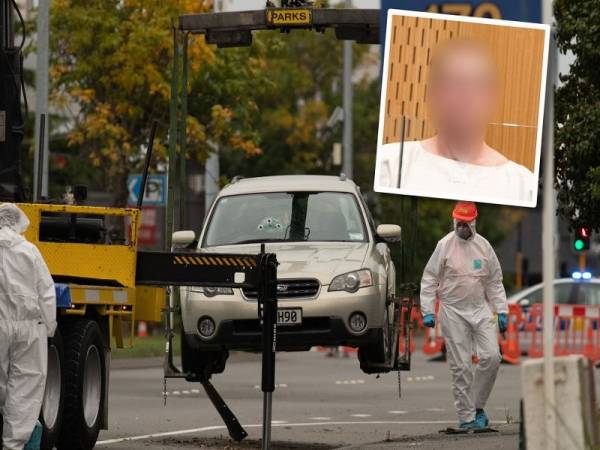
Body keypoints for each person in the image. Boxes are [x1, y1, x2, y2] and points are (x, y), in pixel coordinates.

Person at [376, 39, 535, 204]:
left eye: (476, 85)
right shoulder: (391, 165)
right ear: (432, 95)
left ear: (492, 99)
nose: (465, 97)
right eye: (453, 84)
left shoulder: (523, 185)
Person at [420, 201, 508, 429]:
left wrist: (502, 310)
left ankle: (477, 406)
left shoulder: (484, 247)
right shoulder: (444, 246)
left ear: (474, 222)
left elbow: (494, 282)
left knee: (492, 357)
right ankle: (467, 417)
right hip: (452, 310)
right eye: (459, 222)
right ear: (454, 220)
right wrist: (428, 310)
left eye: (466, 223)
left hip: (480, 308)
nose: (462, 227)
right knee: (461, 366)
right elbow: (429, 278)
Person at [0, 204, 56, 450]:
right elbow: (46, 292)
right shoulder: (30, 251)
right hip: (29, 327)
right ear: (19, 222)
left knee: (3, 385)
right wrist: (50, 326)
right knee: (25, 385)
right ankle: (13, 445)